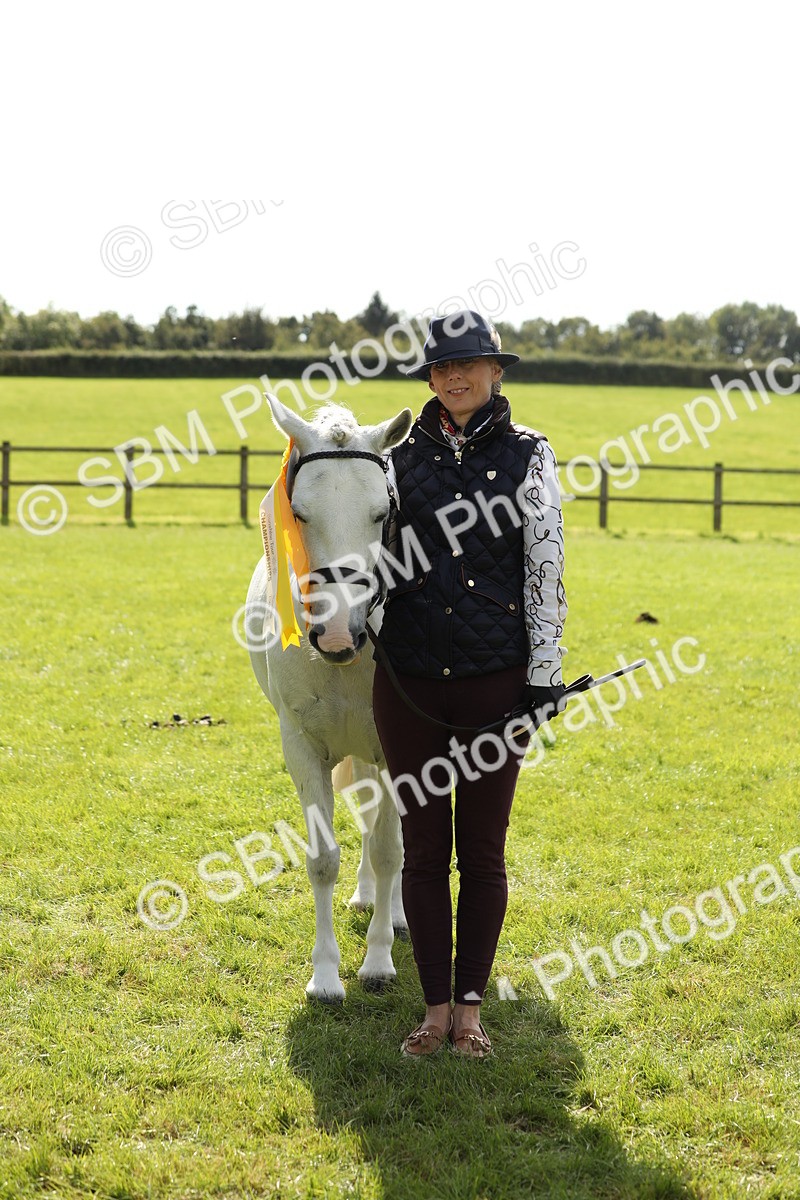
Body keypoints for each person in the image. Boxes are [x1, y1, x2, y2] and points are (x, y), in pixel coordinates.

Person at [371, 309, 568, 1058]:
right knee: (422, 853)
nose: (456, 378)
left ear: (496, 373)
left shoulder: (531, 455)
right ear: (430, 378)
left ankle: (473, 1014)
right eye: (443, 368)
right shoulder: (392, 459)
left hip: (495, 683)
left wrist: (544, 671)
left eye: (472, 365)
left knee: (482, 854)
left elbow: (544, 562)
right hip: (409, 683)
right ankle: (433, 1009)